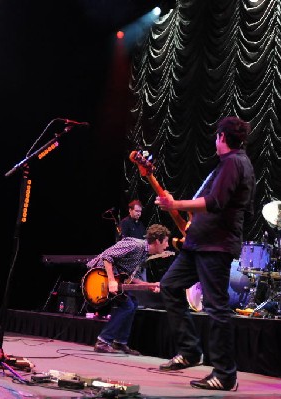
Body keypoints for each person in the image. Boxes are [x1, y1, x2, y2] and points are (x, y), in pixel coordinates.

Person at [155, 116, 255, 391]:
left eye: (216, 136)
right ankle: (189, 351)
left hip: (216, 245)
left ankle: (225, 374)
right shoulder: (227, 164)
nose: (215, 140)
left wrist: (176, 203)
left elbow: (216, 202)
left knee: (216, 307)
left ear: (222, 137)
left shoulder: (235, 162)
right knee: (170, 286)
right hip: (198, 243)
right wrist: (182, 208)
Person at [87, 224, 171, 355]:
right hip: (99, 276)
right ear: (157, 241)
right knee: (127, 305)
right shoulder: (136, 245)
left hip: (115, 278)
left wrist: (148, 285)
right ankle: (103, 342)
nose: (167, 246)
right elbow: (107, 257)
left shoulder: (144, 254)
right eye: (165, 242)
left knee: (133, 303)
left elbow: (129, 278)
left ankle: (120, 342)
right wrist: (111, 280)